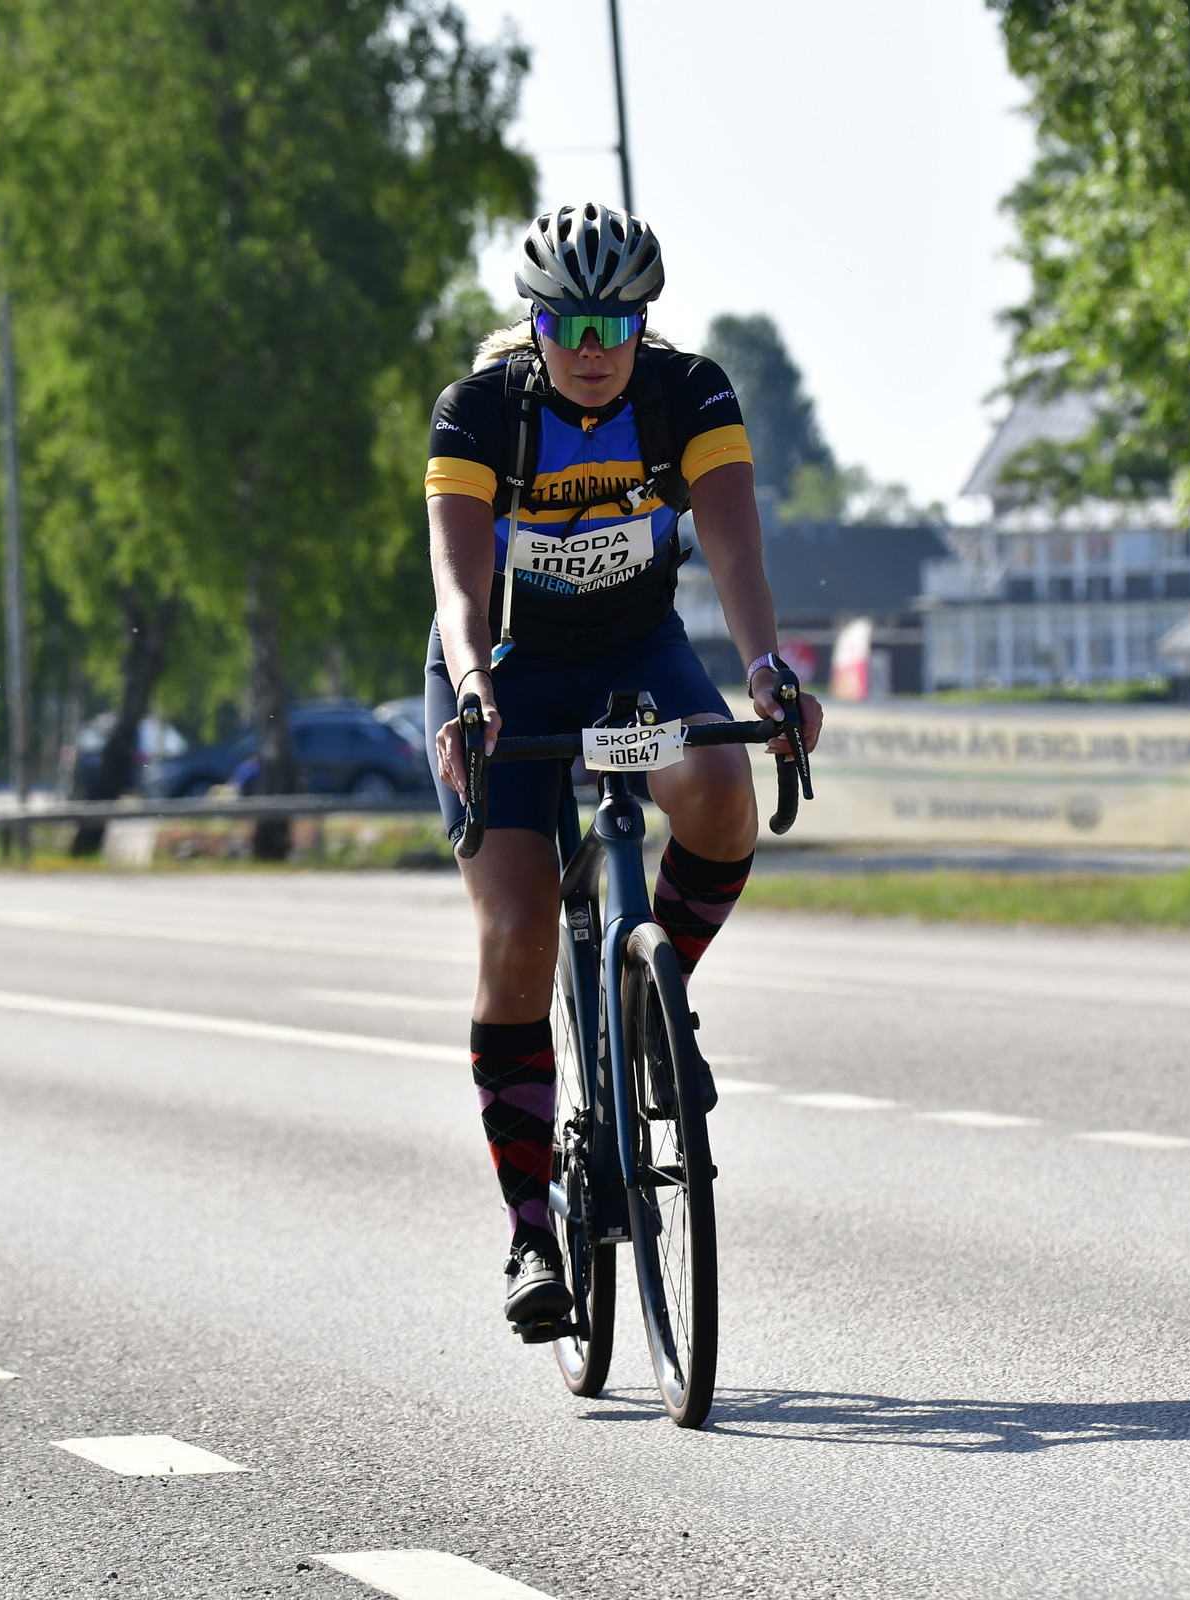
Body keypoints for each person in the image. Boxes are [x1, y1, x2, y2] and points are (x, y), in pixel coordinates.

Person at [423, 202, 823, 1334]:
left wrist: (766, 670)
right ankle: (529, 1236)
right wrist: (471, 687)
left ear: (644, 321)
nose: (593, 348)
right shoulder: (480, 412)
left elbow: (734, 550)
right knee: (516, 931)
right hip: (502, 667)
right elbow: (457, 584)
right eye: (570, 325)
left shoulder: (686, 395)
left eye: (616, 323)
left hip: (633, 652)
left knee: (720, 799)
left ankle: (649, 998)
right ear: (534, 323)